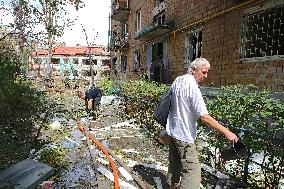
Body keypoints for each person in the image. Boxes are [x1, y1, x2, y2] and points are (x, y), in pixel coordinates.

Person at [166, 58, 238, 189]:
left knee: (175, 163)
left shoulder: (178, 80)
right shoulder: (193, 88)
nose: (206, 76)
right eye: (203, 72)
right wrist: (227, 132)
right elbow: (204, 117)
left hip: (173, 131)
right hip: (184, 135)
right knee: (193, 172)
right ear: (193, 70)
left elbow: (168, 102)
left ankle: (172, 186)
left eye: (207, 73)